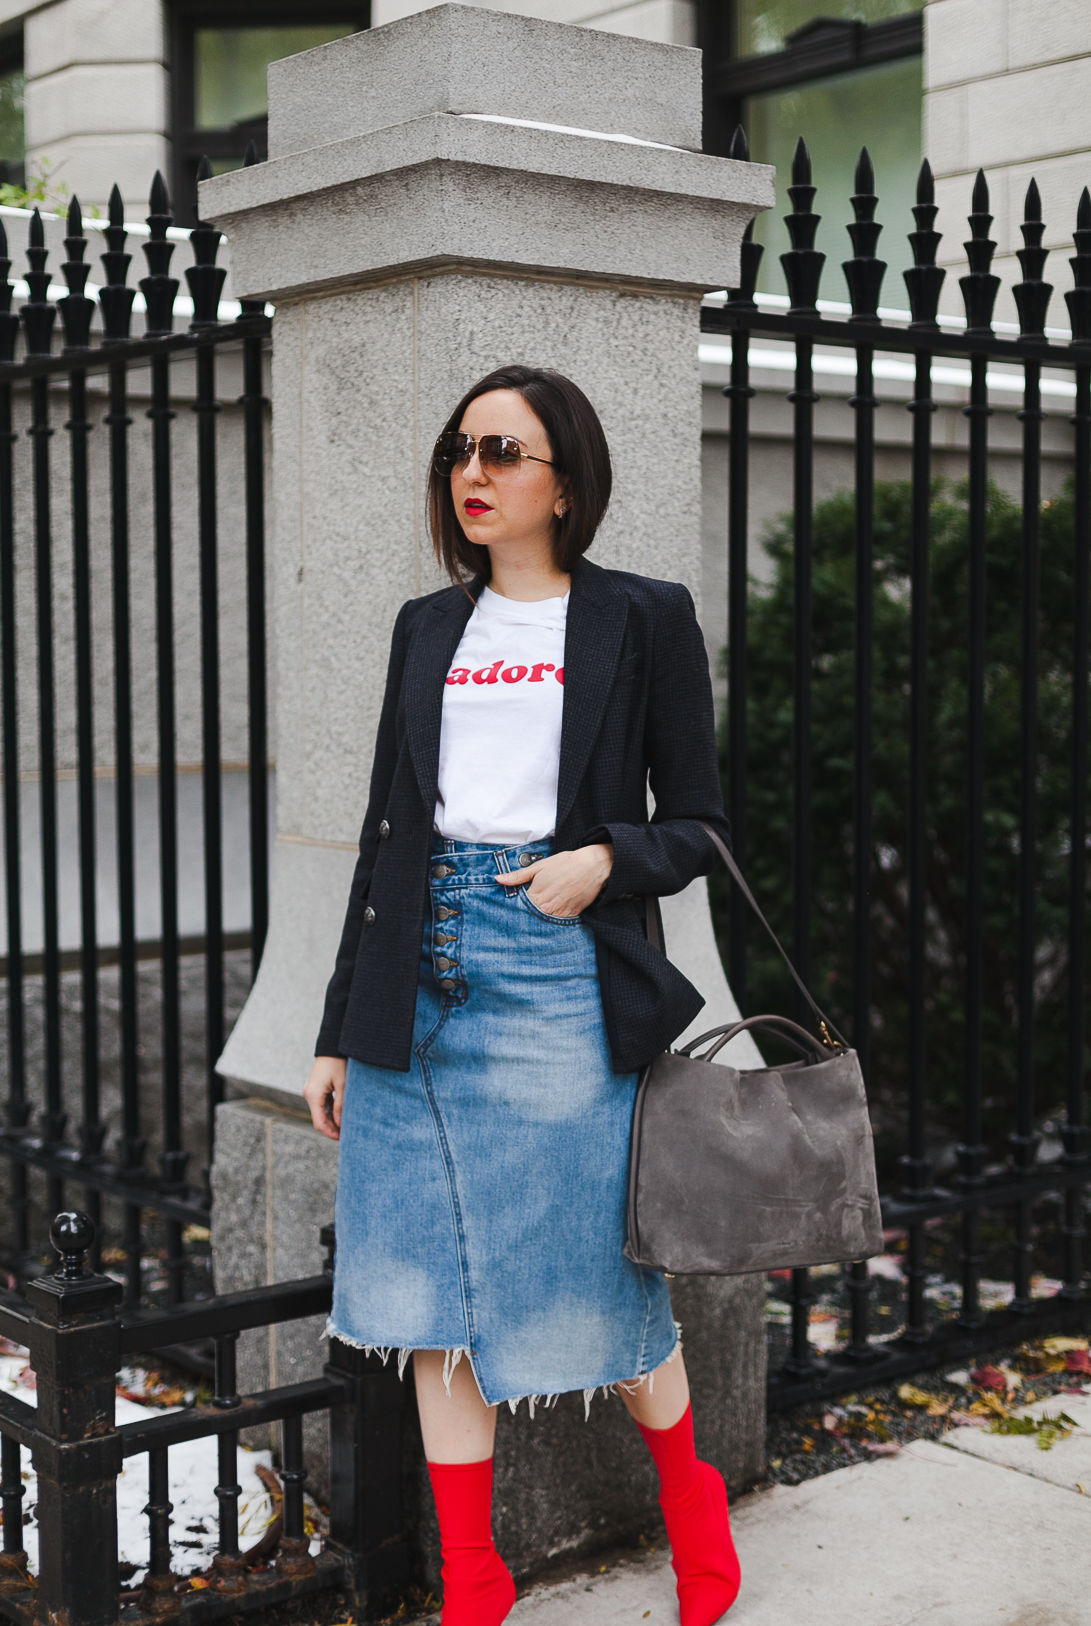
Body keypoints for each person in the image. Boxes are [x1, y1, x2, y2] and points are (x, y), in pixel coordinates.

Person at [303, 364, 740, 1626]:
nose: (474, 473)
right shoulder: (425, 627)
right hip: (415, 979)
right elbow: (387, 831)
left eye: (502, 450)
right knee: (426, 1293)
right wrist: (340, 1028)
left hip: (555, 975)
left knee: (593, 1273)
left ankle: (690, 1493)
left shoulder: (640, 619)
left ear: (566, 479)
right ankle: (475, 1580)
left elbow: (703, 825)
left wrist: (605, 859)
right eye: (459, 450)